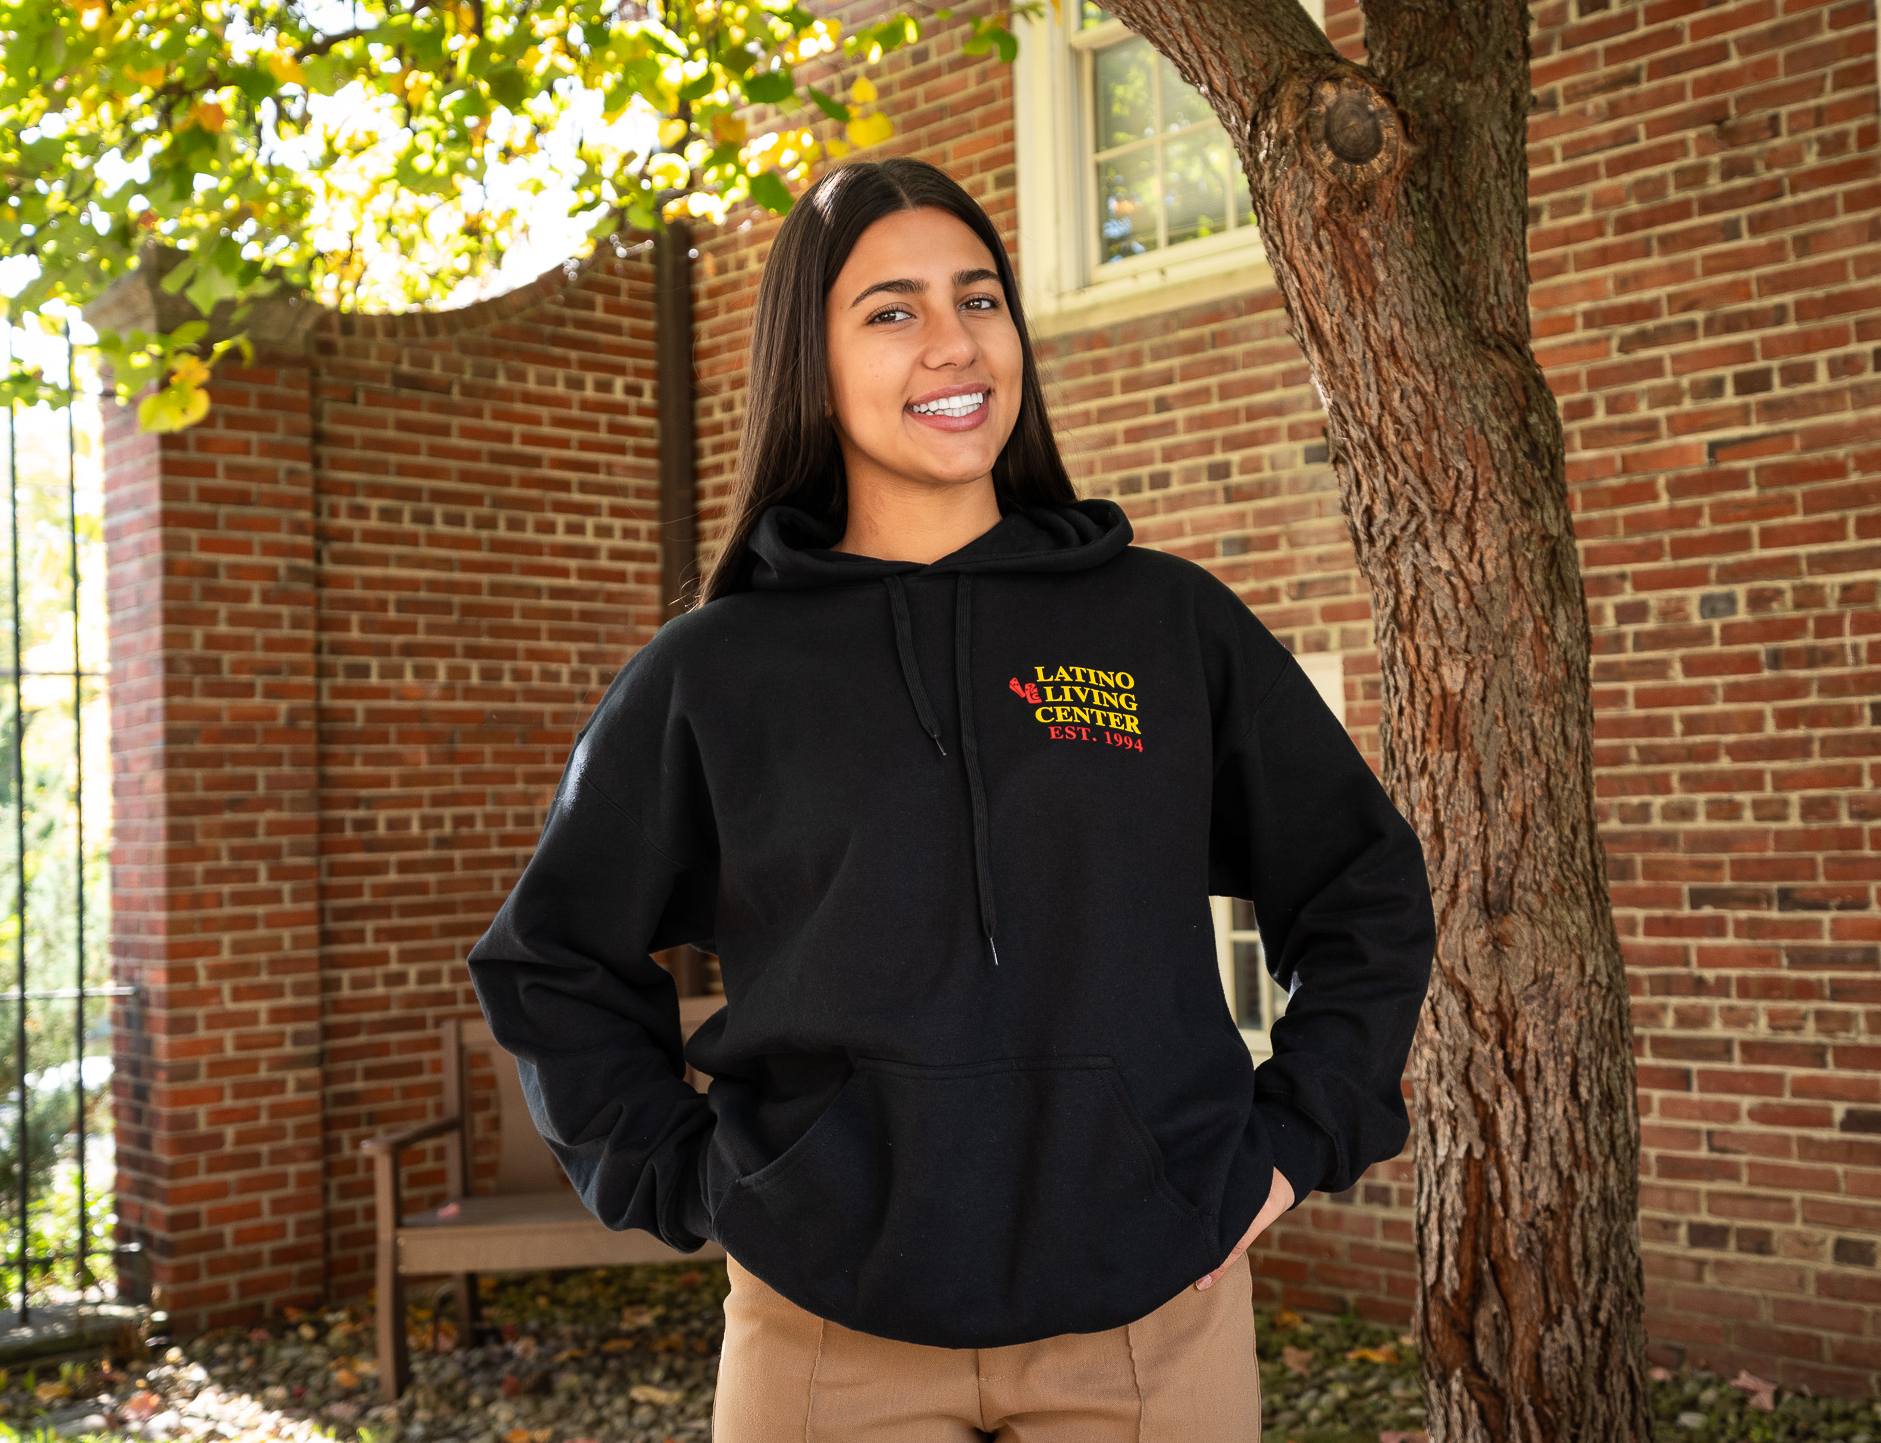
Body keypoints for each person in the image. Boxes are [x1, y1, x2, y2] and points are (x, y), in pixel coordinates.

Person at [464, 156, 1438, 1442]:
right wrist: (699, 1183)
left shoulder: (1163, 622)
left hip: (1152, 1321)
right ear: (808, 359)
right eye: (891, 310)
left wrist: (1297, 1135)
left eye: (979, 299)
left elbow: (1362, 886)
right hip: (825, 1338)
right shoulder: (716, 672)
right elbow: (552, 963)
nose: (953, 342)